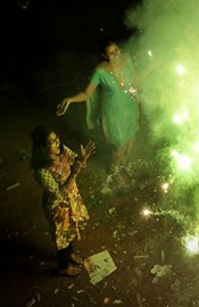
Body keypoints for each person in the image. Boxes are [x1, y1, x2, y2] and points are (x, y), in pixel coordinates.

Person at [56, 37, 139, 192]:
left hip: (130, 107)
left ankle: (125, 164)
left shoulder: (127, 60)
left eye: (116, 50)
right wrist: (70, 99)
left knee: (131, 139)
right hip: (114, 114)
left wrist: (138, 86)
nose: (116, 54)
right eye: (111, 53)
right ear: (104, 56)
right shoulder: (100, 72)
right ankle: (114, 169)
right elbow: (87, 94)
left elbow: (134, 78)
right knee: (119, 147)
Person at [31, 125, 96, 276]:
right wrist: (74, 173)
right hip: (58, 207)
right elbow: (59, 194)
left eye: (56, 138)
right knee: (62, 239)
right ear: (41, 148)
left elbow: (76, 163)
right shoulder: (41, 171)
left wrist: (83, 158)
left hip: (71, 198)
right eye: (51, 142)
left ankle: (70, 253)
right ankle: (63, 266)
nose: (57, 142)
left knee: (71, 229)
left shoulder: (63, 150)